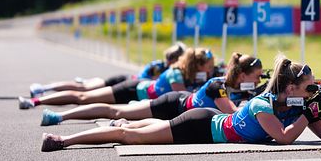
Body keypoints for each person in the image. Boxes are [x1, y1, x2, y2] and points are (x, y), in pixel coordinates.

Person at [40, 55, 321, 151]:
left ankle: (126, 121)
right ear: (291, 87)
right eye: (311, 88)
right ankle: (63, 139)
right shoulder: (262, 105)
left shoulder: (294, 104)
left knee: (148, 126)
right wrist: (308, 112)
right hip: (201, 125)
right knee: (130, 138)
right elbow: (284, 139)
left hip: (204, 118)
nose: (313, 92)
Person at [39, 52, 262, 126]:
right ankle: (58, 116)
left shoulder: (232, 85)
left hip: (180, 111)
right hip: (172, 104)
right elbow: (232, 114)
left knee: (123, 119)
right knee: (112, 111)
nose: (258, 80)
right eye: (257, 77)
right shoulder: (219, 85)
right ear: (242, 76)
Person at [19, 47, 214, 109]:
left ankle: (39, 96)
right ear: (196, 65)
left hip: (140, 95)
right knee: (84, 96)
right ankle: (36, 99)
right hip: (132, 88)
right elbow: (184, 96)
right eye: (208, 67)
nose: (210, 70)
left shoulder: (190, 73)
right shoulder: (176, 73)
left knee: (86, 94)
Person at [27, 42, 186, 96]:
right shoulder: (159, 68)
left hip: (127, 81)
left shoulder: (161, 65)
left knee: (84, 89)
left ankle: (45, 88)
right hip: (125, 82)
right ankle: (43, 88)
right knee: (84, 90)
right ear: (175, 59)